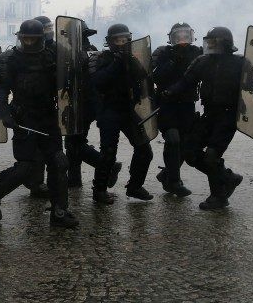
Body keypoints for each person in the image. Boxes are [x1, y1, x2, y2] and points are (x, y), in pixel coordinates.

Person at [0, 19, 78, 228]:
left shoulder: (52, 56)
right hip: (24, 117)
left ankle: (59, 211)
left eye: (33, 39)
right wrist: (4, 113)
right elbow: (2, 90)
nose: (29, 43)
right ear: (20, 38)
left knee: (59, 163)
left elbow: (65, 79)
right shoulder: (11, 59)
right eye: (25, 38)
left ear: (41, 39)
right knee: (26, 168)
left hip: (47, 115)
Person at [165, 27, 244, 210]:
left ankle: (219, 197)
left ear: (224, 43)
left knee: (211, 157)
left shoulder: (240, 64)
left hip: (228, 117)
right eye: (208, 41)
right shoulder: (203, 61)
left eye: (214, 42)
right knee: (190, 152)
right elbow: (186, 82)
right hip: (209, 115)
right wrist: (170, 92)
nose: (209, 45)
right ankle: (228, 178)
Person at [89, 24, 154, 204]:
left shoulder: (131, 58)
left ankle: (134, 186)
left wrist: (130, 60)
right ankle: (99, 190)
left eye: (125, 40)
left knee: (144, 150)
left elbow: (143, 77)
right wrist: (117, 62)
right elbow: (99, 81)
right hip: (109, 111)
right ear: (110, 42)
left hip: (128, 111)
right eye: (118, 40)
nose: (121, 43)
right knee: (108, 154)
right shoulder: (102, 58)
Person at [63, 21, 122, 189]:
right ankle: (74, 179)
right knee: (74, 141)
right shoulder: (91, 50)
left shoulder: (79, 54)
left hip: (83, 104)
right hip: (86, 103)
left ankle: (108, 166)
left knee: (75, 143)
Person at [151, 22, 202, 197]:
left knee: (184, 143)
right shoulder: (164, 53)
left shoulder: (197, 53)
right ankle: (174, 181)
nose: (182, 39)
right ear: (171, 38)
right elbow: (153, 76)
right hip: (167, 103)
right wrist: (172, 61)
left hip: (187, 103)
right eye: (178, 36)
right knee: (172, 139)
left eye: (185, 35)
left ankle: (167, 175)